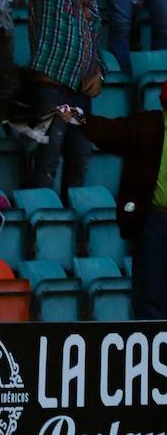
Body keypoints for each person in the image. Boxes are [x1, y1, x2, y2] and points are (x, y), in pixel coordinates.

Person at [73, 81, 167, 320]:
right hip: (153, 218)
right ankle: (151, 346)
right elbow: (112, 131)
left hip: (153, 219)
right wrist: (82, 119)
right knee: (150, 288)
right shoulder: (148, 125)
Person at [28, 0, 105, 196]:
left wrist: (99, 75)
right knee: (48, 156)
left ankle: (71, 226)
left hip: (80, 92)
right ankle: (40, 223)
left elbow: (97, 50)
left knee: (80, 157)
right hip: (52, 88)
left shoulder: (91, 4)